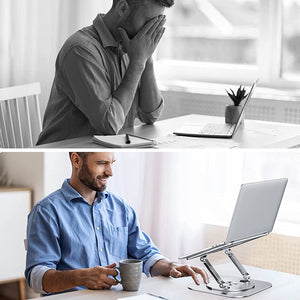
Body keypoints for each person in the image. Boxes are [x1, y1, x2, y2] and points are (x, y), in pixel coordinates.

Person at [25, 152, 209, 295]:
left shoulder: (120, 207)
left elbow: (145, 253)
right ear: (76, 160)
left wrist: (170, 266)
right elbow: (36, 278)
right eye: (102, 163)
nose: (110, 172)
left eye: (111, 163)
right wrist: (81, 276)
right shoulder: (46, 211)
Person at [37, 0, 173, 145]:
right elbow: (110, 124)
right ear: (122, 9)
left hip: (107, 150)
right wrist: (138, 62)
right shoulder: (80, 50)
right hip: (63, 151)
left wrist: (147, 57)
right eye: (148, 22)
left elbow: (150, 115)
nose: (151, 31)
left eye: (157, 23)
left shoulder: (133, 47)